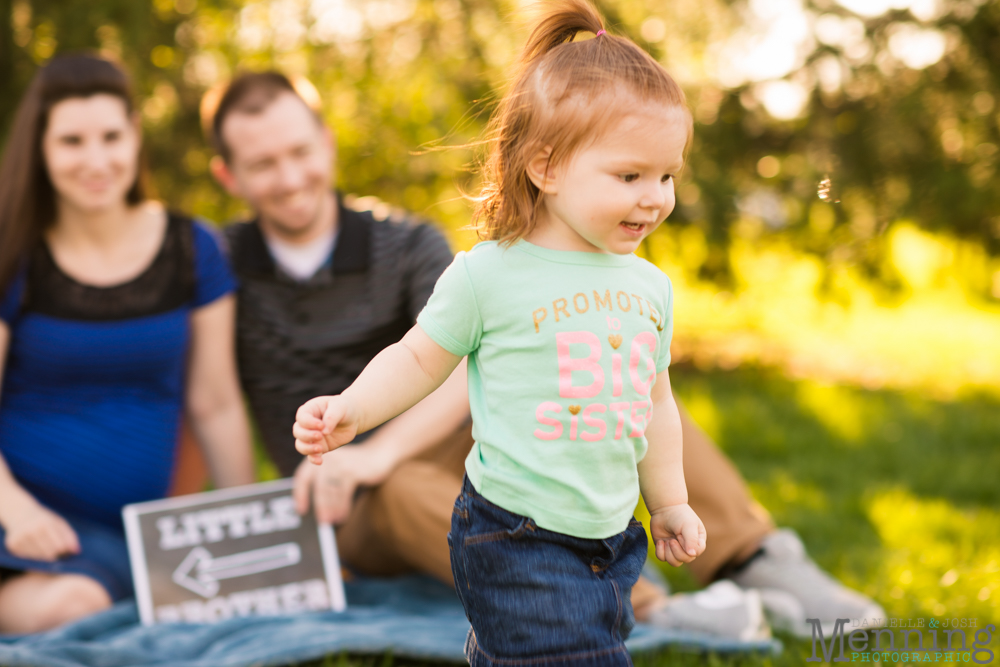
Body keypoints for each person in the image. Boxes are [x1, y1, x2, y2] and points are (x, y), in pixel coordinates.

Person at [208, 71, 882, 641]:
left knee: (616, 380)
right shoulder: (220, 267)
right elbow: (206, 397)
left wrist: (381, 448)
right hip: (345, 497)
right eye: (264, 164)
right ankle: (647, 607)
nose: (291, 176)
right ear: (227, 174)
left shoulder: (404, 243)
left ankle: (753, 555)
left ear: (326, 141)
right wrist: (264, 512)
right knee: (406, 490)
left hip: (444, 434)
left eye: (300, 150)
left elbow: (449, 360)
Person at [294, 3, 708, 663]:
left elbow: (654, 403)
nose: (654, 196)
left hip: (610, 535)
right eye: (629, 175)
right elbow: (418, 358)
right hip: (515, 533)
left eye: (666, 176)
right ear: (545, 167)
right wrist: (352, 408)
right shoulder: (490, 273)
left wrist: (672, 501)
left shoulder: (649, 287)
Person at [0, 54, 256, 635]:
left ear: (135, 136)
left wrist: (246, 524)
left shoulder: (193, 250)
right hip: (14, 507)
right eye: (71, 141)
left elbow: (214, 403)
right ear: (40, 148)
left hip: (114, 532)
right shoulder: (14, 254)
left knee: (71, 606)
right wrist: (16, 512)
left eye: (111, 136)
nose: (96, 161)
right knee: (63, 606)